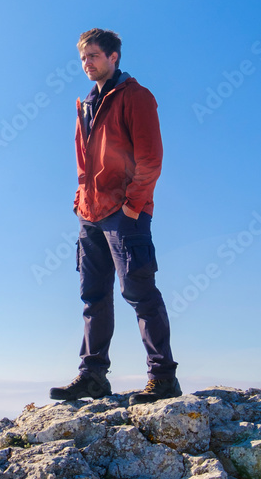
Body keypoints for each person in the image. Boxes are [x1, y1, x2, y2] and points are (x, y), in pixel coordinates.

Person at [49, 28, 181, 405]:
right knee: (92, 297)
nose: (86, 64)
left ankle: (162, 377)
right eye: (82, 59)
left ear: (113, 57)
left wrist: (132, 204)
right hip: (90, 214)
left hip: (125, 214)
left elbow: (150, 158)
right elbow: (84, 164)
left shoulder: (135, 97)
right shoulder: (86, 104)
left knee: (139, 292)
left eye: (93, 56)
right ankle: (92, 376)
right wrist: (80, 200)